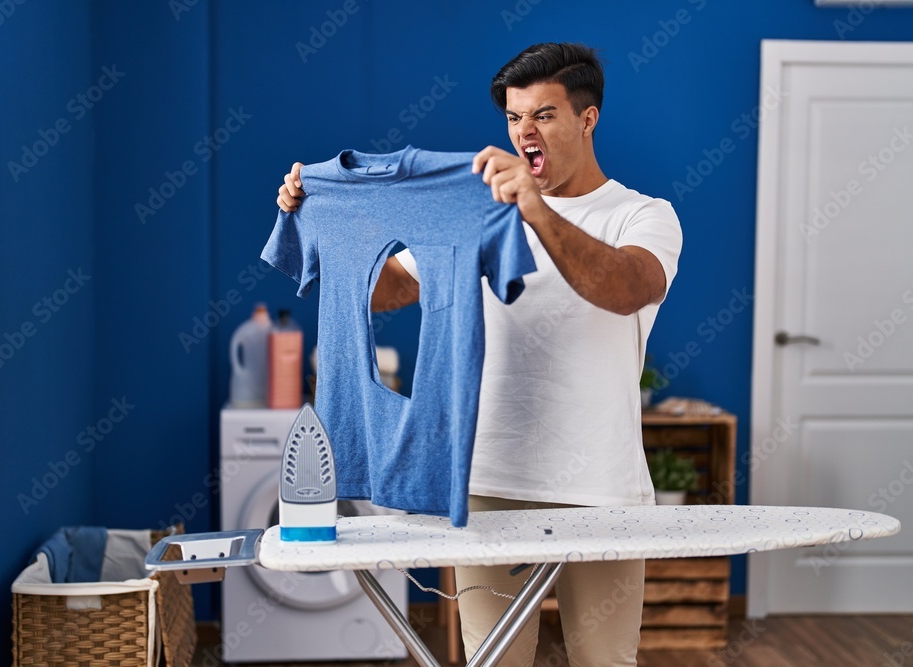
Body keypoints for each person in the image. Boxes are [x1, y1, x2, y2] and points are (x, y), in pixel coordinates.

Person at [277, 42, 681, 667]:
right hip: (487, 481)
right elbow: (390, 291)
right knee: (494, 661)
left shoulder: (643, 215)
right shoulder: (478, 211)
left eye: (543, 115)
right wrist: (324, 227)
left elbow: (624, 288)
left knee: (606, 661)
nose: (525, 133)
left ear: (587, 118)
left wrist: (534, 209)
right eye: (515, 119)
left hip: (602, 488)